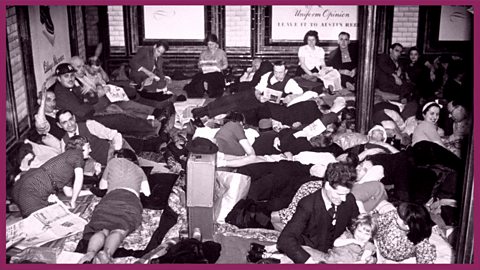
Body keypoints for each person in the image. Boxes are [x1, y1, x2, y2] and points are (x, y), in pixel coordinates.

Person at [76, 149, 151, 264]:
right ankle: (106, 253)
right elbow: (147, 193)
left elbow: (102, 187)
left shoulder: (112, 163)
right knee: (120, 230)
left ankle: (90, 253)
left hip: (110, 199)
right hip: (130, 201)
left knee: (101, 230)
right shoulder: (139, 170)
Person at [277, 162, 359, 263]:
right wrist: (307, 261)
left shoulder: (349, 200)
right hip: (312, 254)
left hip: (338, 254)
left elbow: (357, 226)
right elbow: (285, 239)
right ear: (328, 185)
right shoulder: (308, 204)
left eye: (346, 194)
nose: (344, 199)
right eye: (339, 194)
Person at [52, 63, 162, 138]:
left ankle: (150, 128)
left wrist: (88, 100)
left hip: (91, 114)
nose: (70, 78)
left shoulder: (71, 86)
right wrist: (89, 102)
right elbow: (82, 112)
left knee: (120, 112)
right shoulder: (61, 93)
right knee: (119, 118)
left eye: (72, 75)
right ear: (58, 78)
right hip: (85, 122)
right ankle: (152, 129)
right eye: (66, 76)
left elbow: (93, 98)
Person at [191, 61, 303, 121]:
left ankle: (205, 114)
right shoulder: (268, 75)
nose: (277, 75)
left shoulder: (290, 82)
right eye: (276, 71)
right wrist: (259, 95)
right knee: (229, 98)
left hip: (265, 103)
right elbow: (258, 89)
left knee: (234, 105)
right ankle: (205, 108)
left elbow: (301, 92)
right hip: (256, 94)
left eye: (280, 72)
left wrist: (291, 97)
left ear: (286, 71)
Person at [12, 136, 92, 217]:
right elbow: (79, 179)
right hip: (32, 188)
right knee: (40, 222)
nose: (90, 150)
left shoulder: (67, 164)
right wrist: (73, 201)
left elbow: (69, 192)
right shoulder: (77, 153)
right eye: (88, 147)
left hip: (24, 185)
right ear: (79, 146)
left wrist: (91, 191)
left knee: (43, 220)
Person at [56, 109, 131, 166]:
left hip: (114, 153)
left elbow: (114, 134)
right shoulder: (64, 142)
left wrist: (116, 151)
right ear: (59, 125)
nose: (69, 124)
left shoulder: (89, 125)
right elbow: (69, 164)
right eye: (64, 122)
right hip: (99, 167)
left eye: (70, 119)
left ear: (74, 118)